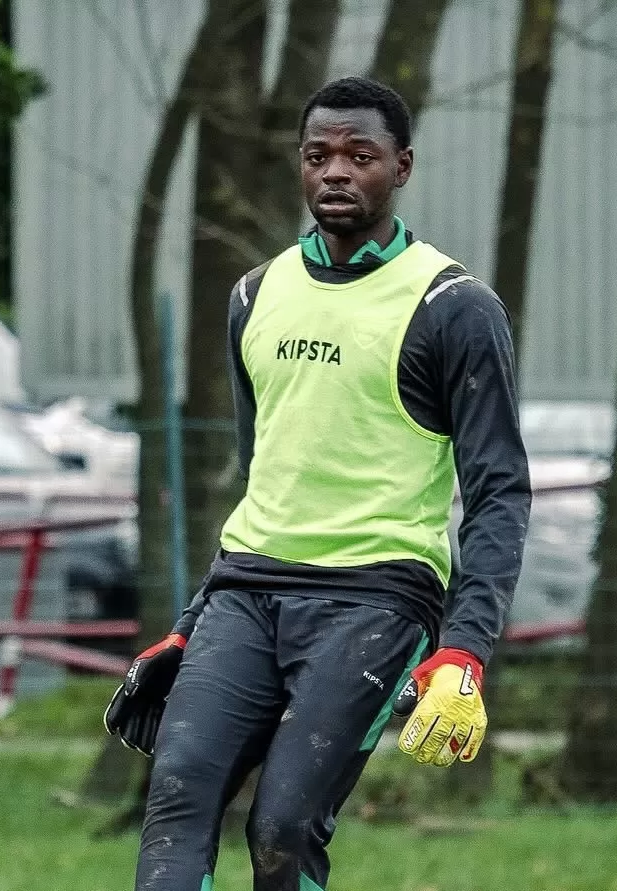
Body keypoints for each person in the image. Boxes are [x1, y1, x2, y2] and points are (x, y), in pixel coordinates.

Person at [103, 75, 532, 891]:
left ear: (401, 167)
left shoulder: (454, 307)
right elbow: (269, 479)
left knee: (283, 826)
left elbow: (500, 494)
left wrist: (465, 650)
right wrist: (192, 621)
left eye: (359, 155)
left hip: (376, 601)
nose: (336, 171)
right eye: (318, 155)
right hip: (245, 594)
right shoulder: (254, 296)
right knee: (178, 798)